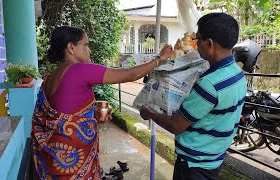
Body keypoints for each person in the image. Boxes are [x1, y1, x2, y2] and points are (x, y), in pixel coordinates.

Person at [31, 26, 174, 179]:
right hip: (73, 163)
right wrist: (159, 59)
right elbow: (131, 74)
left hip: (54, 159)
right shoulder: (80, 70)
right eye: (85, 45)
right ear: (71, 47)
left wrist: (89, 119)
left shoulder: (49, 77)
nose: (89, 50)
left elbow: (65, 114)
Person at [140, 13, 247, 180]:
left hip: (194, 166)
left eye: (197, 40)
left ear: (209, 43)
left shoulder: (210, 84)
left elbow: (176, 126)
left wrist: (149, 113)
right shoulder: (237, 74)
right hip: (214, 159)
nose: (196, 46)